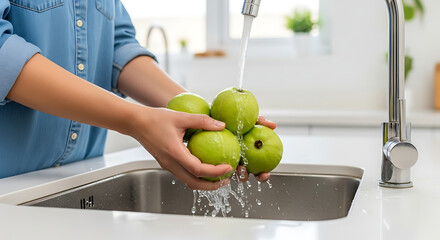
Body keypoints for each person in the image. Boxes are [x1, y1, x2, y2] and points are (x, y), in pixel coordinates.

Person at [0, 0, 275, 190]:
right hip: (9, 189)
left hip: (83, 178)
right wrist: (136, 120)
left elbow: (118, 47)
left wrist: (206, 118)